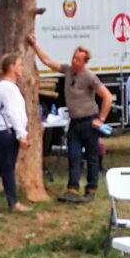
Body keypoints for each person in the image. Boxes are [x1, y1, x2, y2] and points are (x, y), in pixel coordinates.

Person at [27, 34, 113, 203]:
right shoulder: (67, 70)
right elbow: (47, 61)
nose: (74, 62)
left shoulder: (89, 77)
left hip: (89, 121)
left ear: (85, 62)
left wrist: (101, 119)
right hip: (74, 122)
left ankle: (91, 189)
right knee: (73, 155)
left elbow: (107, 97)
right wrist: (34, 45)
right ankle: (72, 189)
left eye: (78, 60)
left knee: (91, 156)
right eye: (74, 58)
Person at [0, 54, 32, 218]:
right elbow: (12, 112)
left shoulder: (5, 86)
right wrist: (21, 135)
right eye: (19, 65)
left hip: (0, 132)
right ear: (11, 67)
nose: (22, 68)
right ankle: (13, 202)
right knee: (7, 168)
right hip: (6, 133)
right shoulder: (7, 88)